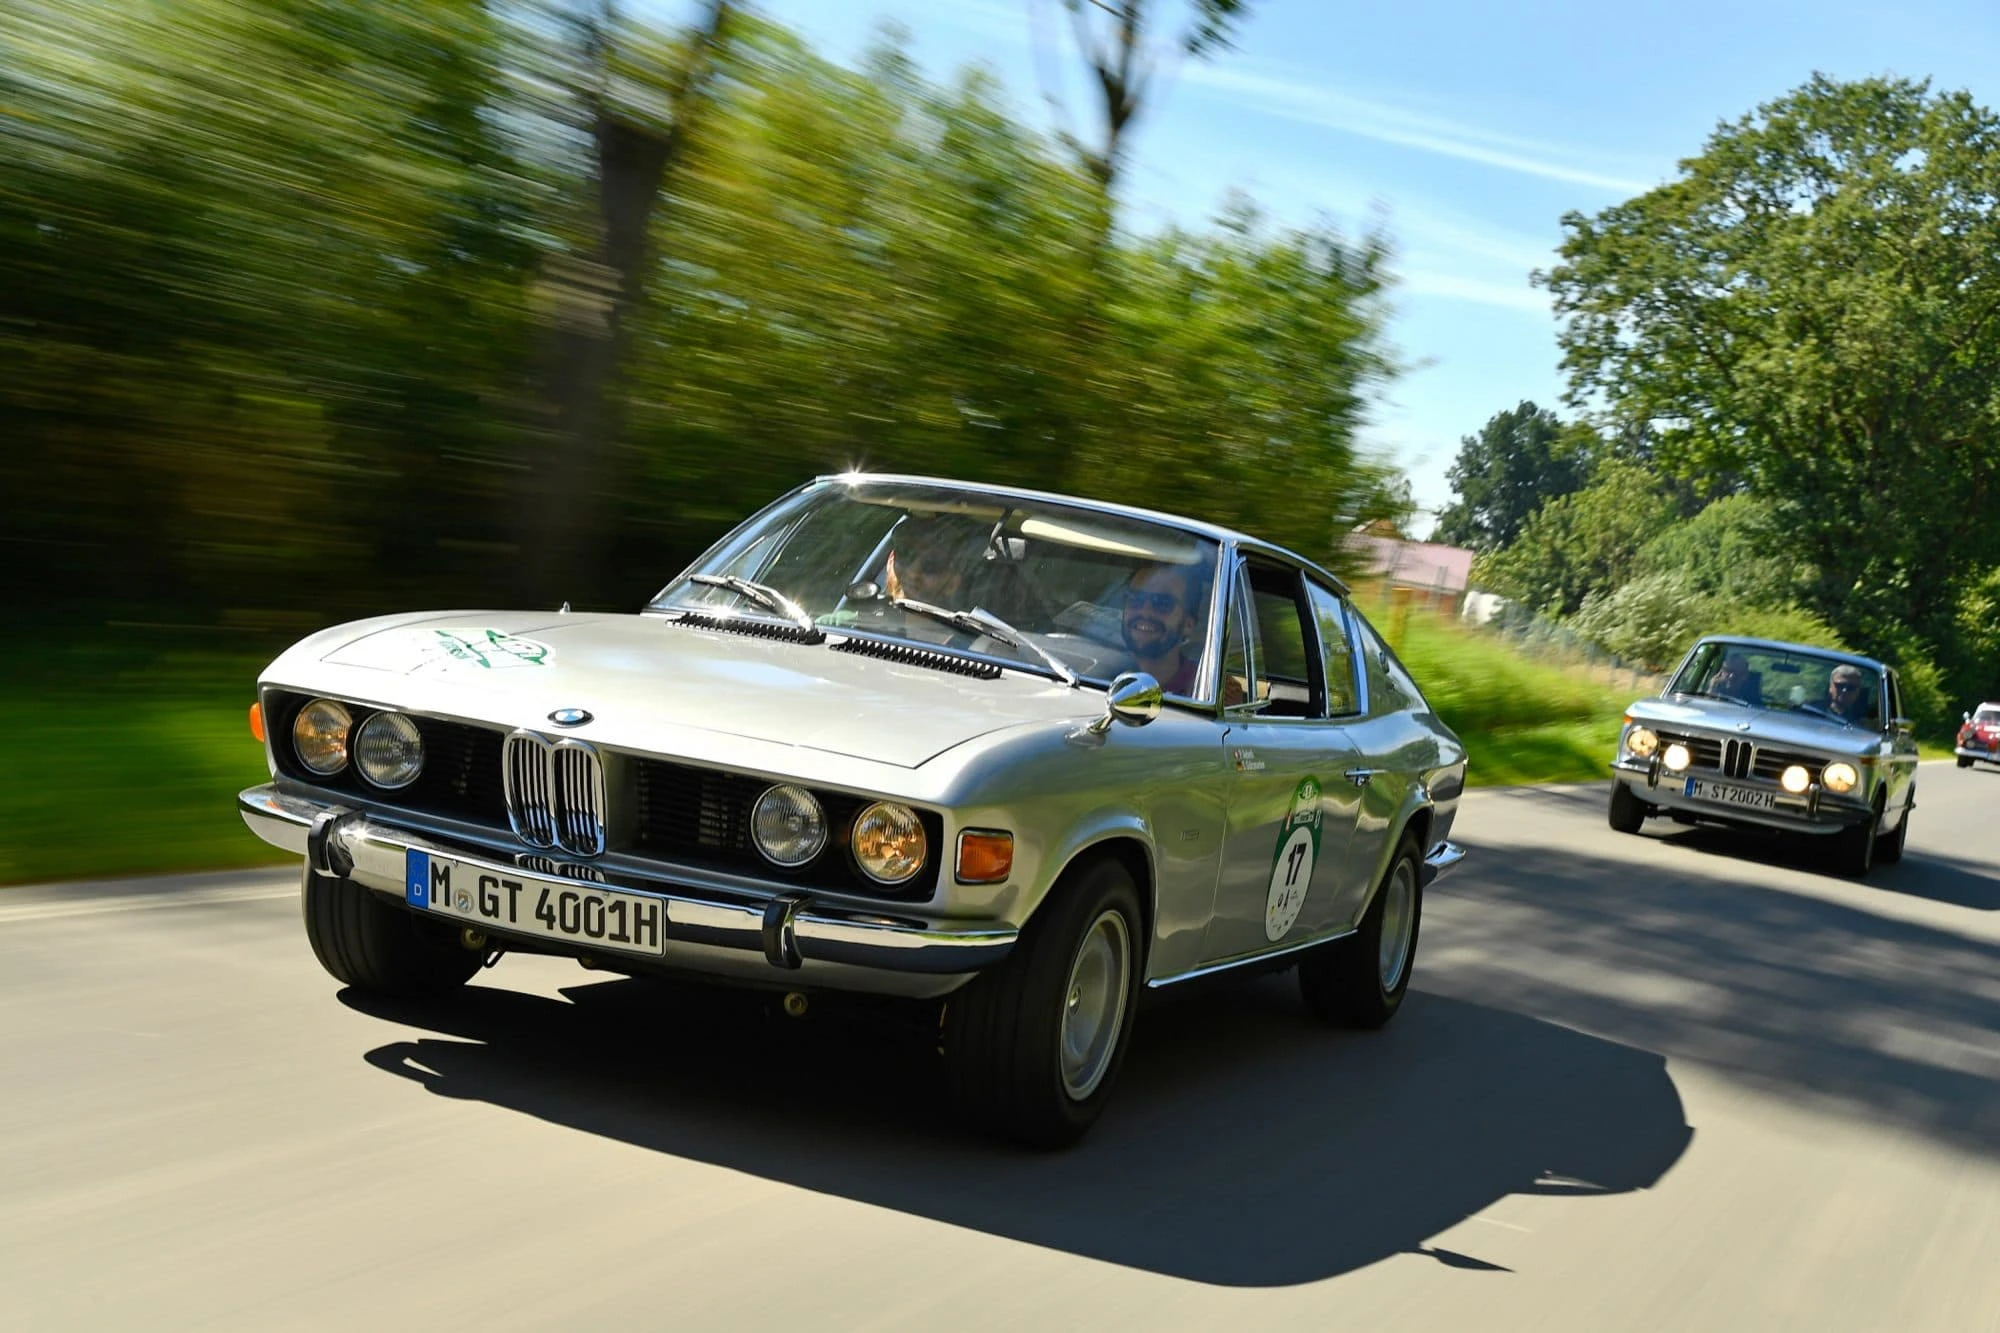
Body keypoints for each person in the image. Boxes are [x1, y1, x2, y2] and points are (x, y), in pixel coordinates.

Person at [1121, 562, 1204, 696]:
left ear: (1189, 624)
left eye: (1162, 604)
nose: (1145, 612)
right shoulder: (1090, 669)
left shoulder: (1206, 688)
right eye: (1135, 599)